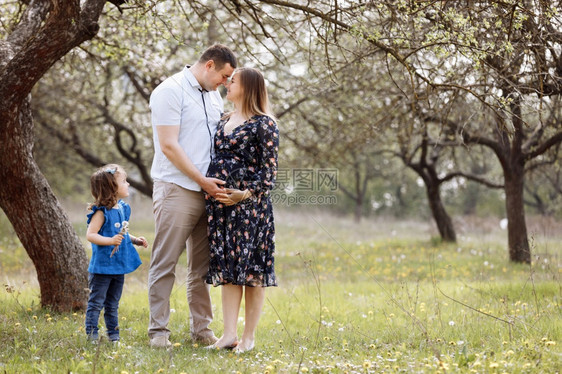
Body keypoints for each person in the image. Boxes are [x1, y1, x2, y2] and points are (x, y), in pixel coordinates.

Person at [148, 44, 237, 348]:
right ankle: (158, 332)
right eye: (225, 76)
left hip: (209, 193)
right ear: (210, 65)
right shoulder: (169, 91)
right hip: (177, 189)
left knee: (200, 268)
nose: (225, 83)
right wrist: (201, 180)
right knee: (165, 262)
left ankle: (202, 330)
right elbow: (169, 145)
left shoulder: (212, 96)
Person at [205, 67, 279, 353]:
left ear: (247, 87)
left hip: (251, 209)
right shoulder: (224, 119)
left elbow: (269, 173)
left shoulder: (265, 124)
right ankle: (228, 335)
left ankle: (248, 338)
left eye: (232, 81)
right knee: (228, 270)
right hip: (221, 208)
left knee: (251, 271)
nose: (227, 84)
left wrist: (243, 194)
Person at [85, 164, 148, 343]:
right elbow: (91, 235)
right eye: (124, 181)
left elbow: (123, 233)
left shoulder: (122, 208)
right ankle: (92, 335)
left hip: (117, 266)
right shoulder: (101, 212)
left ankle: (114, 337)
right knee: (96, 303)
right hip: (103, 267)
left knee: (112, 304)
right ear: (111, 187)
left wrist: (135, 240)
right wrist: (111, 241)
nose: (128, 184)